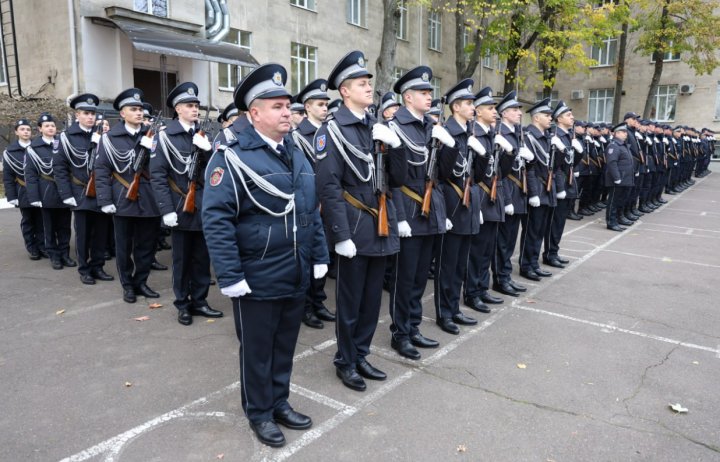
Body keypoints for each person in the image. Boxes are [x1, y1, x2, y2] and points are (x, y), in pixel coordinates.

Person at [202, 63, 329, 448]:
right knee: (257, 349)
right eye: (276, 106)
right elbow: (216, 219)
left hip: (294, 270)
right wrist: (229, 275)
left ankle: (279, 401)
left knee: (285, 344)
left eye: (287, 105)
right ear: (253, 113)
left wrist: (319, 254)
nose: (286, 112)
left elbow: (309, 207)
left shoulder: (295, 151)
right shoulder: (232, 155)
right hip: (256, 274)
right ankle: (258, 411)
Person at [315, 50, 405, 391]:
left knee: (371, 301)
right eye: (361, 84)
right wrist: (339, 234)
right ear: (344, 91)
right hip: (354, 226)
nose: (369, 88)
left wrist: (394, 147)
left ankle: (362, 353)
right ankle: (345, 359)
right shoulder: (332, 131)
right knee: (350, 301)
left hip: (380, 223)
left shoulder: (374, 126)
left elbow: (393, 180)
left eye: (369, 83)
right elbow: (327, 186)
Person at [384, 65, 446, 360]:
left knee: (421, 277)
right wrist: (397, 217)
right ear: (408, 97)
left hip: (428, 211)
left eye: (429, 92)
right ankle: (400, 333)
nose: (429, 96)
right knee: (404, 277)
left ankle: (414, 325)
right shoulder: (396, 127)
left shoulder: (428, 127)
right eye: (423, 92)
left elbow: (437, 175)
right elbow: (390, 178)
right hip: (408, 211)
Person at [150, 82, 222, 325]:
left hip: (203, 206)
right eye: (190, 106)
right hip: (179, 205)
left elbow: (216, 173)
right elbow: (158, 177)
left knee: (202, 259)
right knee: (181, 261)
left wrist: (209, 151)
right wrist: (166, 210)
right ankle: (183, 304)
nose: (195, 109)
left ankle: (200, 301)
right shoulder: (164, 137)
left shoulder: (205, 135)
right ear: (178, 109)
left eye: (197, 106)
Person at [95, 88, 161, 304]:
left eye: (140, 109)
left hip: (149, 199)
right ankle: (128, 285)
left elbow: (162, 169)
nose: (139, 112)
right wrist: (105, 201)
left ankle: (141, 281)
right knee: (123, 247)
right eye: (133, 109)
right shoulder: (109, 139)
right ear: (122, 113)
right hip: (123, 198)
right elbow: (102, 170)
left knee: (147, 246)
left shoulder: (154, 136)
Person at [433, 78, 482, 335]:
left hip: (467, 205)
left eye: (472, 103)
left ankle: (454, 308)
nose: (472, 106)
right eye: (468, 103)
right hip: (452, 205)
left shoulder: (468, 132)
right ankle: (444, 312)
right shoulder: (448, 132)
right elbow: (440, 175)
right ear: (455, 107)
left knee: (460, 262)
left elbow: (475, 174)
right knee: (448, 264)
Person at [55, 93, 114, 284]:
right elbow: (60, 168)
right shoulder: (66, 137)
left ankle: (98, 267)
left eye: (93, 114)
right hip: (80, 192)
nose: (91, 117)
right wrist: (66, 194)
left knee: (101, 233)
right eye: (86, 113)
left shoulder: (104, 136)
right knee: (83, 235)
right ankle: (84, 269)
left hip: (102, 192)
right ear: (77, 114)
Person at [291, 78, 336, 329]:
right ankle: (306, 307)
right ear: (307, 107)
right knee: (307, 259)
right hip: (311, 205)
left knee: (324, 255)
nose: (325, 108)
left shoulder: (330, 132)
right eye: (320, 104)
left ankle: (319, 301)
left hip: (330, 202)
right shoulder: (298, 137)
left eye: (326, 104)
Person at [464, 86, 505, 311]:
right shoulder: (475, 135)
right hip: (479, 195)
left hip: (493, 196)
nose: (495, 112)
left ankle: (482, 288)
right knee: (476, 251)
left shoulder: (490, 135)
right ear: (478, 112)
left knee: (488, 248)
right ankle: (472, 292)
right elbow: (470, 173)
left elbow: (499, 171)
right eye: (490, 108)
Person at [492, 91, 533, 296]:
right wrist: (506, 199)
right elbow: (499, 172)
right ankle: (500, 278)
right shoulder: (500, 133)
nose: (519, 113)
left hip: (518, 192)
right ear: (505, 113)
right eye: (515, 110)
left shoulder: (518, 133)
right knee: (502, 241)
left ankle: (506, 275)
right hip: (506, 191)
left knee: (510, 241)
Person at [24, 113, 76, 270]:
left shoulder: (63, 144)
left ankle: (65, 254)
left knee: (65, 226)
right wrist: (34, 197)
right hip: (46, 190)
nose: (51, 128)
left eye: (53, 125)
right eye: (47, 126)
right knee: (49, 227)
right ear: (40, 129)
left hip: (65, 190)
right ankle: (54, 256)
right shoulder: (33, 148)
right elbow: (30, 175)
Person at [518, 97, 555, 281]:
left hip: (546, 189)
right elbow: (529, 169)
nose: (551, 118)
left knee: (540, 230)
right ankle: (526, 265)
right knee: (531, 231)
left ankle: (533, 263)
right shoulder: (529, 137)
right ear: (536, 118)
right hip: (537, 190)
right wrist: (533, 193)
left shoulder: (545, 138)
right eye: (547, 115)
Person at [543, 101, 582, 269]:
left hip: (568, 181)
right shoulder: (555, 135)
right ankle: (549, 253)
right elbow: (555, 165)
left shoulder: (568, 135)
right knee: (554, 221)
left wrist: (580, 151)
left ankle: (554, 251)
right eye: (568, 115)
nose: (572, 117)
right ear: (559, 118)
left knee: (560, 222)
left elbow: (572, 161)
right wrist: (559, 188)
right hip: (559, 184)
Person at [3, 118, 46, 260]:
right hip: (23, 190)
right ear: (16, 132)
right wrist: (12, 196)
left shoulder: (38, 147)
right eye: (22, 129)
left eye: (28, 129)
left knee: (41, 220)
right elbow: (8, 177)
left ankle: (42, 246)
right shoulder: (10, 152)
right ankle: (32, 247)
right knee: (28, 221)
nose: (26, 132)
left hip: (40, 189)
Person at [604, 122, 634, 231]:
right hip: (618, 179)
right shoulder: (614, 145)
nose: (626, 134)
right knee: (613, 201)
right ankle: (611, 222)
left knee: (620, 201)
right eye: (623, 132)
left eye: (626, 132)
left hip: (625, 179)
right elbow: (612, 163)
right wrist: (616, 178)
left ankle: (617, 219)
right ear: (616, 133)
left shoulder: (623, 145)